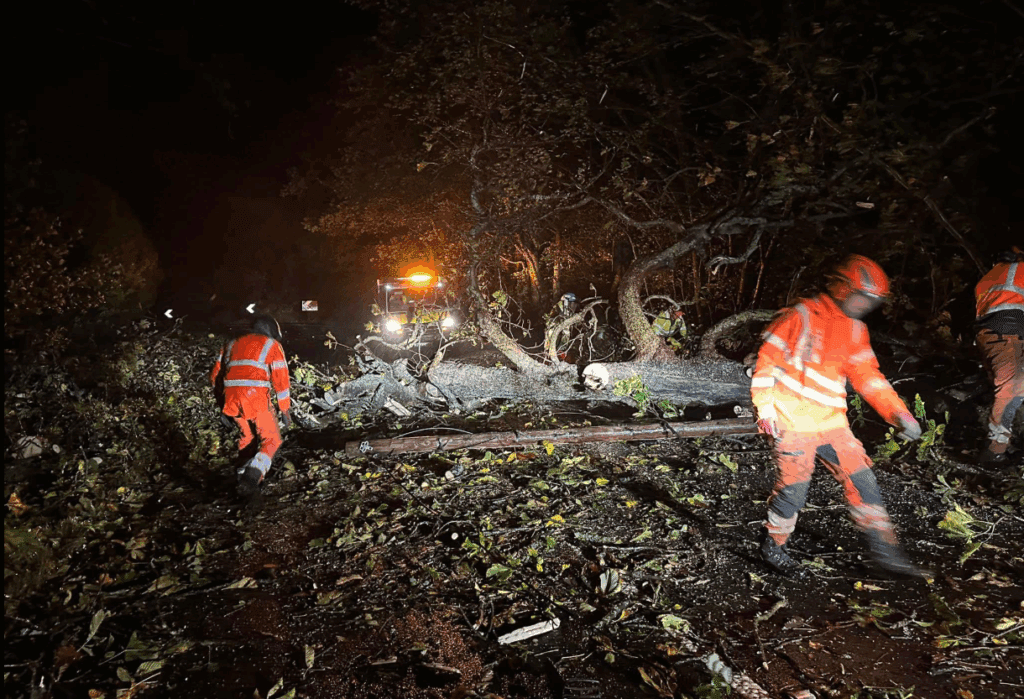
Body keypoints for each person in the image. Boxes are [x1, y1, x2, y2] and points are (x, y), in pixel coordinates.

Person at [750, 255, 925, 577]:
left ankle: (885, 553)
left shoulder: (856, 329)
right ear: (842, 288)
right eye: (862, 298)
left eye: (871, 302)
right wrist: (766, 412)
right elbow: (766, 365)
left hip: (832, 424)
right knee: (794, 489)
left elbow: (868, 376)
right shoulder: (801, 315)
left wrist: (898, 413)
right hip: (793, 422)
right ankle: (773, 546)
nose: (865, 307)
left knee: (863, 481)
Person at [211, 315, 292, 496]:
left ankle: (241, 482)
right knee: (271, 440)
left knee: (247, 438)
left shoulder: (231, 344)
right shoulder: (272, 345)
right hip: (255, 399)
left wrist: (222, 405)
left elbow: (215, 376)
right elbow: (281, 380)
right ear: (272, 331)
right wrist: (285, 410)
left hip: (231, 399)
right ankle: (252, 477)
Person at [974, 246, 1024, 464]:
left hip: (990, 334)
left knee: (1012, 388)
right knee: (1013, 387)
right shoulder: (1019, 269)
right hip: (1007, 331)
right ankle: (995, 451)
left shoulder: (991, 276)